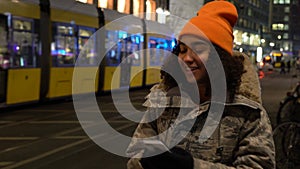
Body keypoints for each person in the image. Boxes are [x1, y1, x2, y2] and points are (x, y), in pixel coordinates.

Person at [127, 1, 275, 169]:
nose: (187, 58)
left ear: (219, 58)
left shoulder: (248, 113)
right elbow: (136, 153)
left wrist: (192, 166)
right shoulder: (162, 101)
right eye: (182, 50)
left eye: (197, 49)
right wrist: (148, 161)